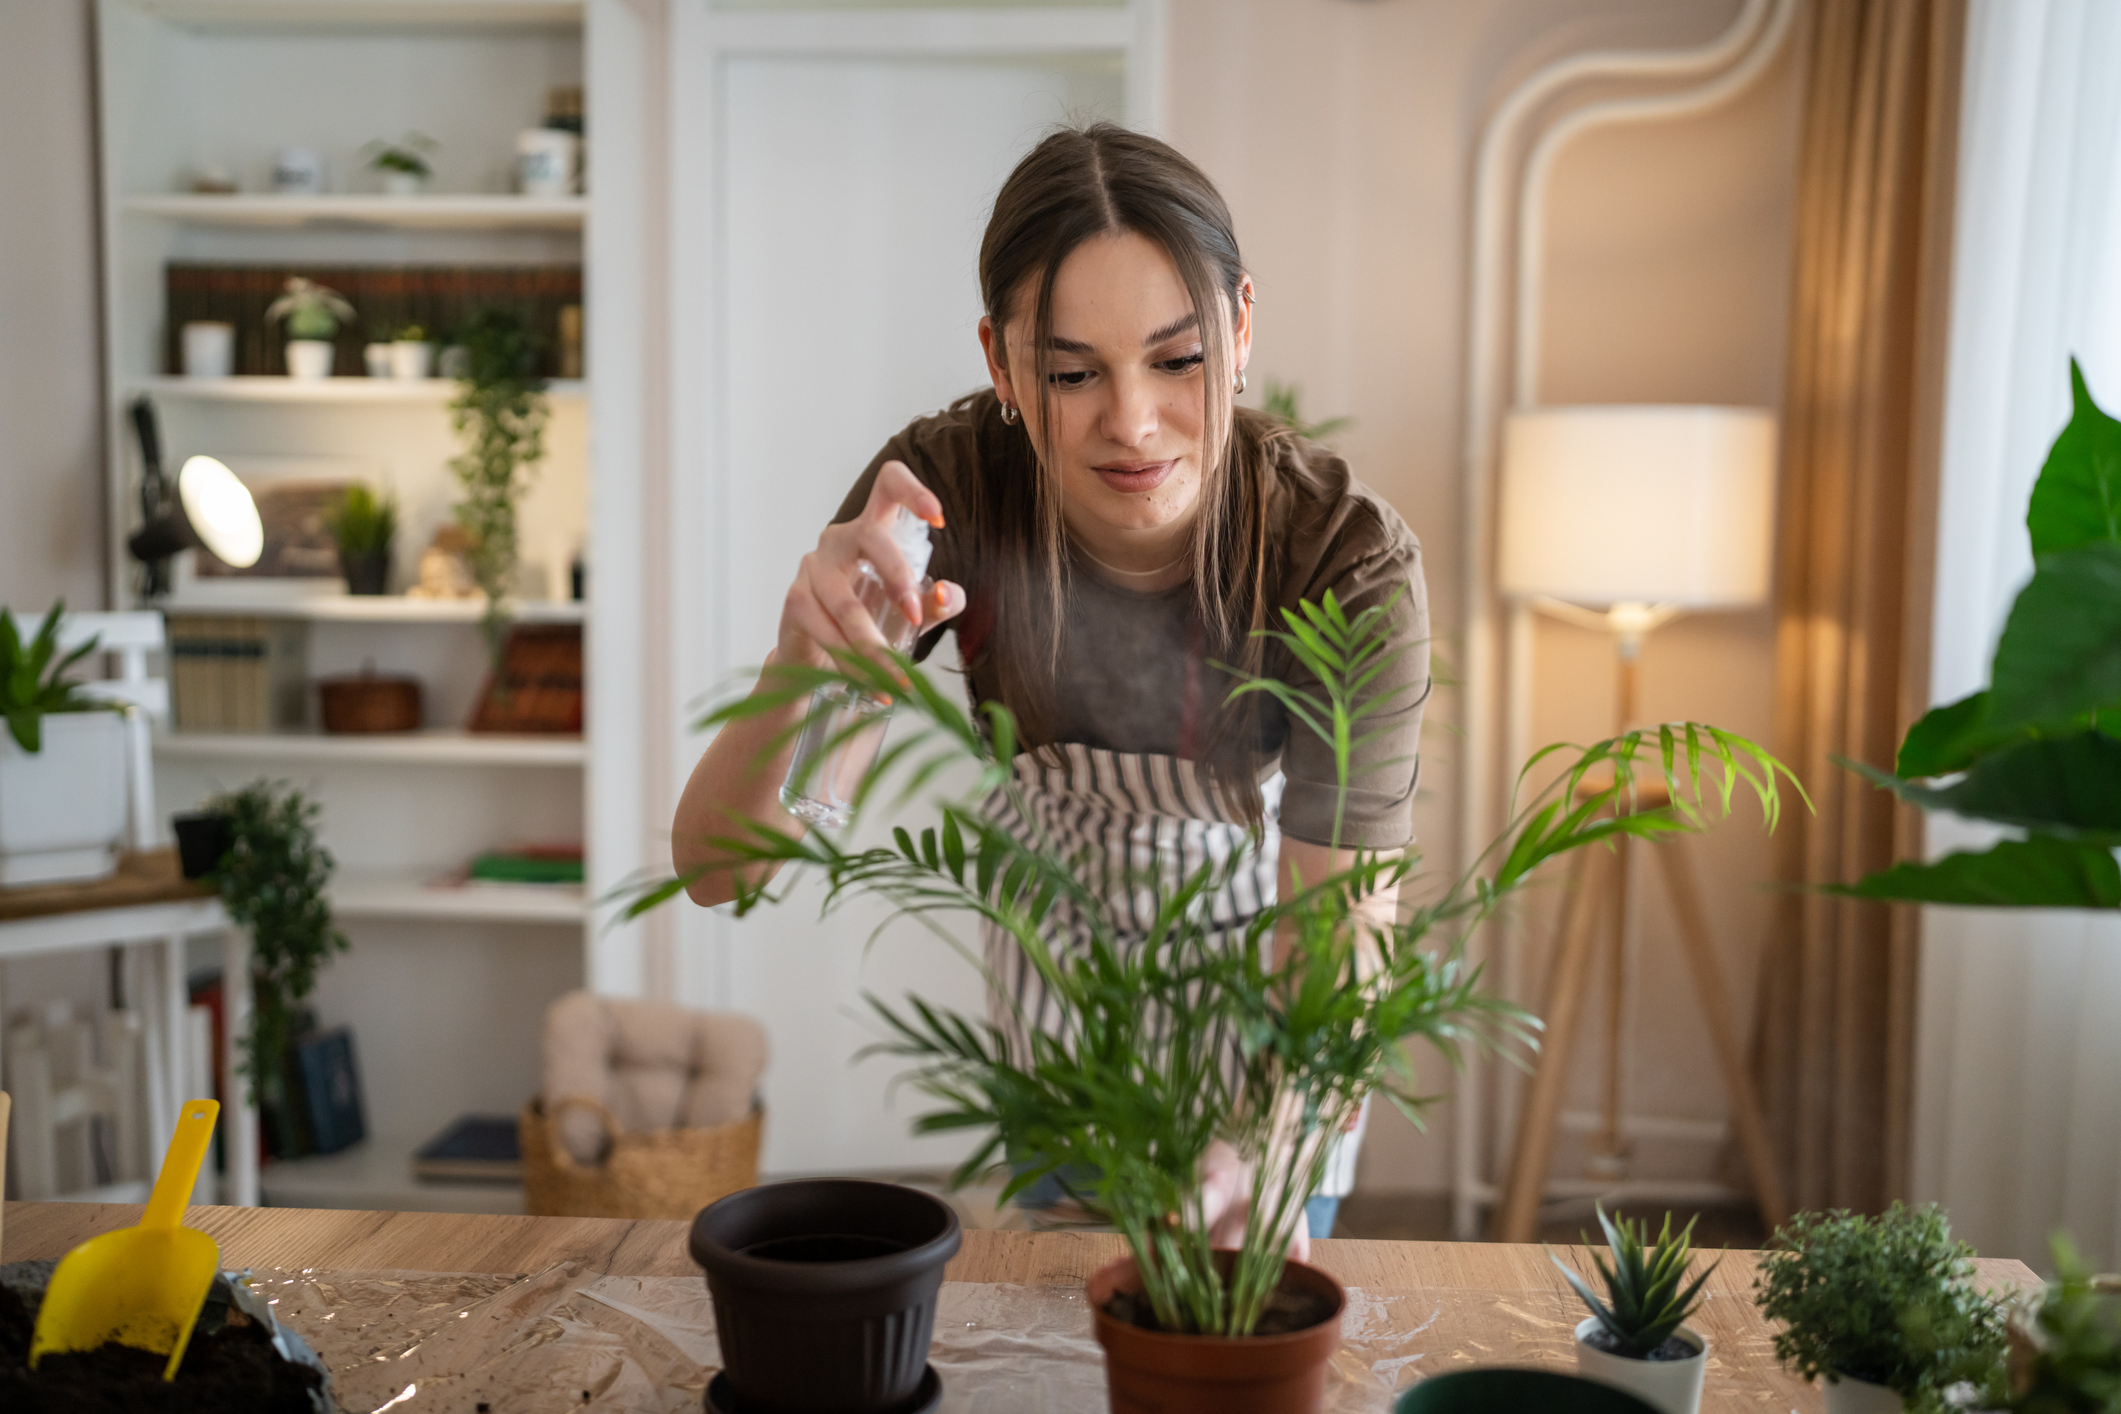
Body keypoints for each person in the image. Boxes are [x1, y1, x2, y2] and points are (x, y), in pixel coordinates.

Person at [673, 122, 1430, 1251]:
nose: (1131, 423)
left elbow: (1338, 935)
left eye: (1177, 361)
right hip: (1058, 1037)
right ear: (1001, 362)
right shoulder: (944, 500)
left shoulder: (1340, 556)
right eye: (1073, 373)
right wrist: (797, 665)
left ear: (1241, 326)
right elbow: (722, 870)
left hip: (1275, 1051)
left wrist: (1264, 1157)